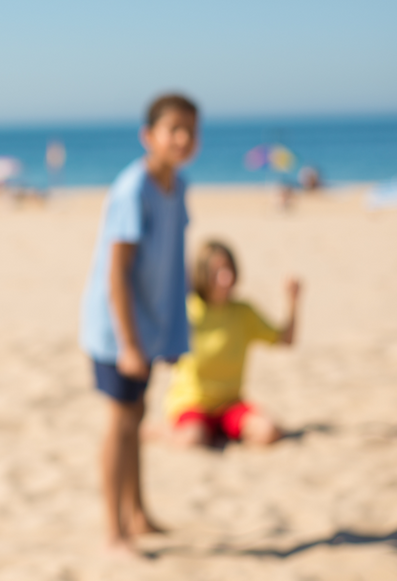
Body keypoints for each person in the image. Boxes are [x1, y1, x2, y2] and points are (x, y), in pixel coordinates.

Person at [79, 92, 198, 555]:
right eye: (174, 129)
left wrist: (172, 328)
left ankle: (139, 513)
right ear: (149, 136)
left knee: (138, 415)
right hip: (116, 330)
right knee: (121, 421)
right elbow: (117, 273)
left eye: (191, 130)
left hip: (148, 328)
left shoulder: (179, 185)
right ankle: (115, 530)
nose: (184, 139)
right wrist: (129, 344)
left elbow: (173, 260)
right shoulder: (133, 189)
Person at [164, 241, 300, 447]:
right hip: (192, 404)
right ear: (203, 275)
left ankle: (223, 432)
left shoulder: (243, 312)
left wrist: (293, 301)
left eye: (228, 269)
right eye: (217, 272)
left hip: (230, 404)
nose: (225, 278)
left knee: (268, 432)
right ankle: (153, 431)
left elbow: (285, 340)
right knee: (193, 439)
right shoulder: (188, 312)